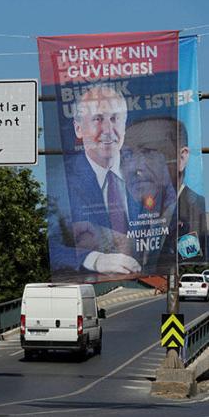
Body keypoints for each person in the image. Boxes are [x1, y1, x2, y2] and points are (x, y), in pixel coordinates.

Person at [48, 84, 174, 278]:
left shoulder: (150, 170)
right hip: (92, 286)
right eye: (98, 119)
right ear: (78, 128)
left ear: (124, 125)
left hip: (149, 283)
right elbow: (51, 246)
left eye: (115, 119)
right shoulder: (60, 179)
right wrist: (94, 259)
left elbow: (171, 221)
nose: (108, 130)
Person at [124, 117, 205, 263]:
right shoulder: (133, 220)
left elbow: (190, 267)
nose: (134, 167)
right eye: (128, 155)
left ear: (181, 158)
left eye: (148, 152)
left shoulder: (197, 214)